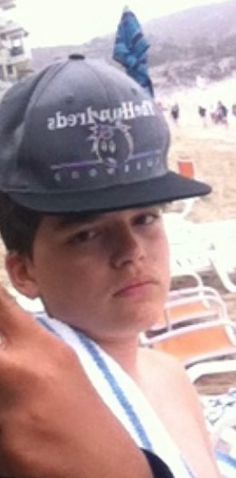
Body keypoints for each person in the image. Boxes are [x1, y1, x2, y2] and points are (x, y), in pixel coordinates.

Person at [0, 54, 221, 478]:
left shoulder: (170, 375)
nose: (131, 251)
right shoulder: (25, 417)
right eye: (86, 234)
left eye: (146, 218)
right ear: (23, 271)